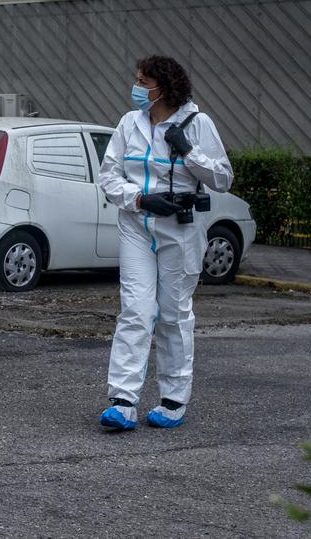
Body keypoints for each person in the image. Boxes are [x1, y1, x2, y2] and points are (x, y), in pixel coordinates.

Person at [97, 56, 233, 430]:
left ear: (165, 88)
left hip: (181, 227)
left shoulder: (197, 123)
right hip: (137, 223)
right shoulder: (130, 122)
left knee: (173, 313)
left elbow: (222, 178)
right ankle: (122, 401)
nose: (137, 87)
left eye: (145, 82)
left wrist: (188, 150)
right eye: (137, 79)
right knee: (136, 311)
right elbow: (108, 176)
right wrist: (139, 199)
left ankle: (173, 399)